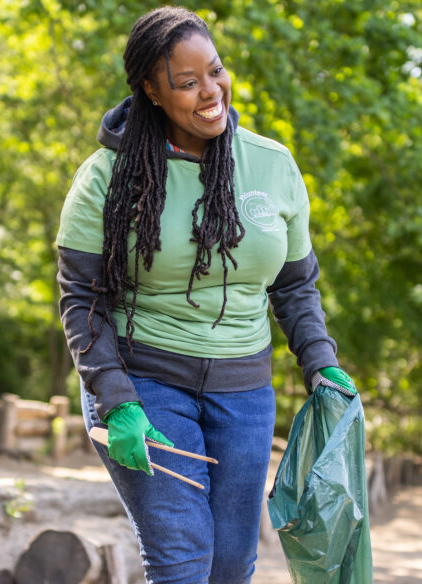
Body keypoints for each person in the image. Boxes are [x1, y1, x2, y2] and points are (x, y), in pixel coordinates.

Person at [56, 7, 357, 582]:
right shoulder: (105, 178)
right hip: (143, 384)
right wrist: (116, 401)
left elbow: (295, 285)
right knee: (181, 560)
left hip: (243, 394)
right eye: (186, 83)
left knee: (229, 565)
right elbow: (81, 299)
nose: (209, 92)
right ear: (151, 90)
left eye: (214, 72)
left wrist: (321, 364)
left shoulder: (271, 165)